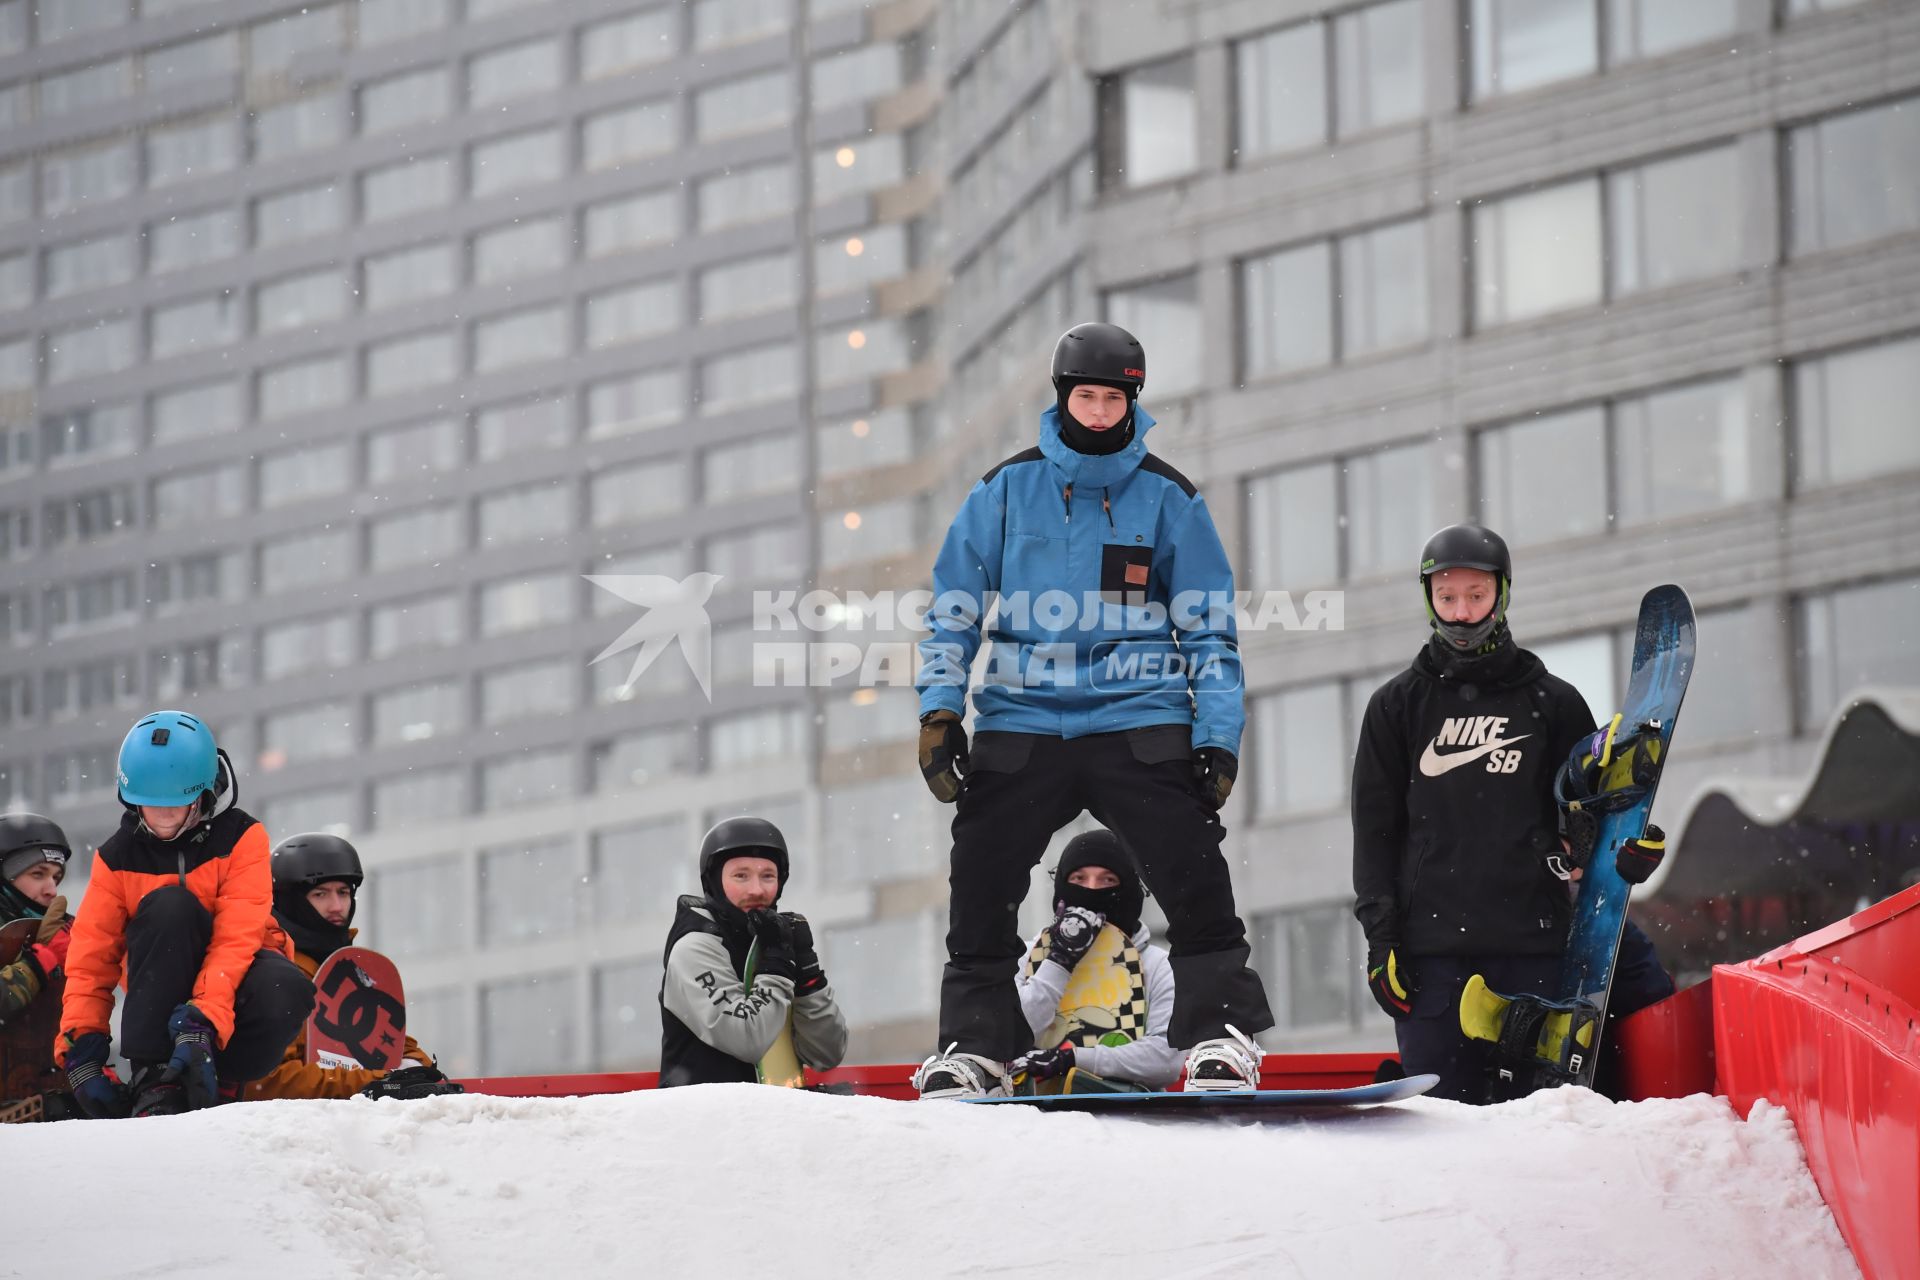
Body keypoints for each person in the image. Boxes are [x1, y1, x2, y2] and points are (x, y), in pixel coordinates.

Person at [913, 321, 1272, 1099]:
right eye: (1088, 396)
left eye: (1115, 398)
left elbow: (1209, 627)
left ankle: (1219, 1036)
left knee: (1192, 871)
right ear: (1063, 397)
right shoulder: (1006, 489)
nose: (1101, 411)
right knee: (980, 878)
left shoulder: (1170, 499)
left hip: (1138, 714)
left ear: (1133, 400)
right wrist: (941, 712)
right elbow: (953, 608)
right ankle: (974, 1047)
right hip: (1024, 716)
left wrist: (1217, 736)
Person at [1351, 525, 1672, 1104]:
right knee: (1443, 1125)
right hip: (1432, 957)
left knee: (1545, 1123)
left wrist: (1630, 854)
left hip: (1536, 946)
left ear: (1502, 594)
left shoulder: (1555, 701)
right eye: (1447, 597)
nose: (1463, 612)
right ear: (1428, 598)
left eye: (1476, 595)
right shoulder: (1395, 707)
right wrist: (1382, 940)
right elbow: (1375, 835)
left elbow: (1589, 819)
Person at [56, 710, 316, 1118]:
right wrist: (81, 1047)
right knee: (169, 905)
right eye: (148, 805)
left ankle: (222, 1081)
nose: (161, 817)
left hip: (232, 988)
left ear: (202, 795)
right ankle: (155, 1080)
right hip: (158, 986)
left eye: (174, 805)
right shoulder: (117, 858)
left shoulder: (243, 838)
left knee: (286, 987)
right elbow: (91, 960)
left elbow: (236, 937)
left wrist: (202, 1023)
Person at [245, 833, 462, 1102]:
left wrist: (417, 1073)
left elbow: (397, 1049)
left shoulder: (351, 970)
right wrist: (378, 1083)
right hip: (294, 1133)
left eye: (344, 892)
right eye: (320, 894)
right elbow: (268, 1082)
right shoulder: (270, 973)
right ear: (289, 900)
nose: (337, 906)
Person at [658, 817, 848, 1088]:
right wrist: (776, 967)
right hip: (705, 1121)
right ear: (713, 882)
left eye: (768, 876)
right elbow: (747, 1039)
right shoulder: (694, 948)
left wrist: (808, 976)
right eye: (741, 876)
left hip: (772, 1120)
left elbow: (826, 1053)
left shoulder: (770, 941)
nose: (757, 890)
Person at [1008, 830, 1182, 1093]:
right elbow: (1011, 1036)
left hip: (1132, 1118)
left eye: (1107, 880)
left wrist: (1075, 1059)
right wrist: (1059, 962)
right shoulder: (1030, 955)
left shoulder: (1159, 965)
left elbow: (1164, 1060)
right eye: (1078, 879)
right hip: (1035, 1116)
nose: (1090, 890)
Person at [0, 814, 76, 1120]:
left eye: (56, 878)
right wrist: (35, 964)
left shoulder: (63, 933)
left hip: (48, 1095)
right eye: (38, 874)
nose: (51, 890)